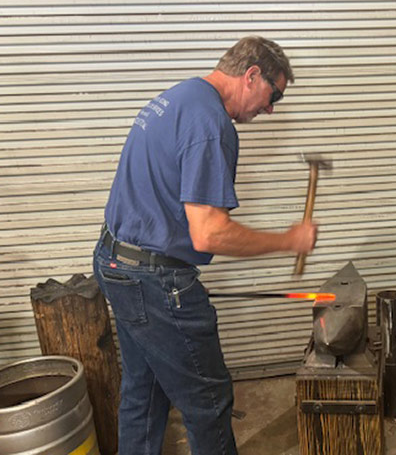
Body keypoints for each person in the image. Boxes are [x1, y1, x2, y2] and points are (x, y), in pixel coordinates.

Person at [92, 36, 317, 455]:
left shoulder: (179, 96)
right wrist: (288, 240)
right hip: (154, 282)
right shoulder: (211, 123)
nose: (270, 109)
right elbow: (209, 233)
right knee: (209, 403)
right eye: (275, 95)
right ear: (252, 76)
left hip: (116, 262)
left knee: (145, 392)